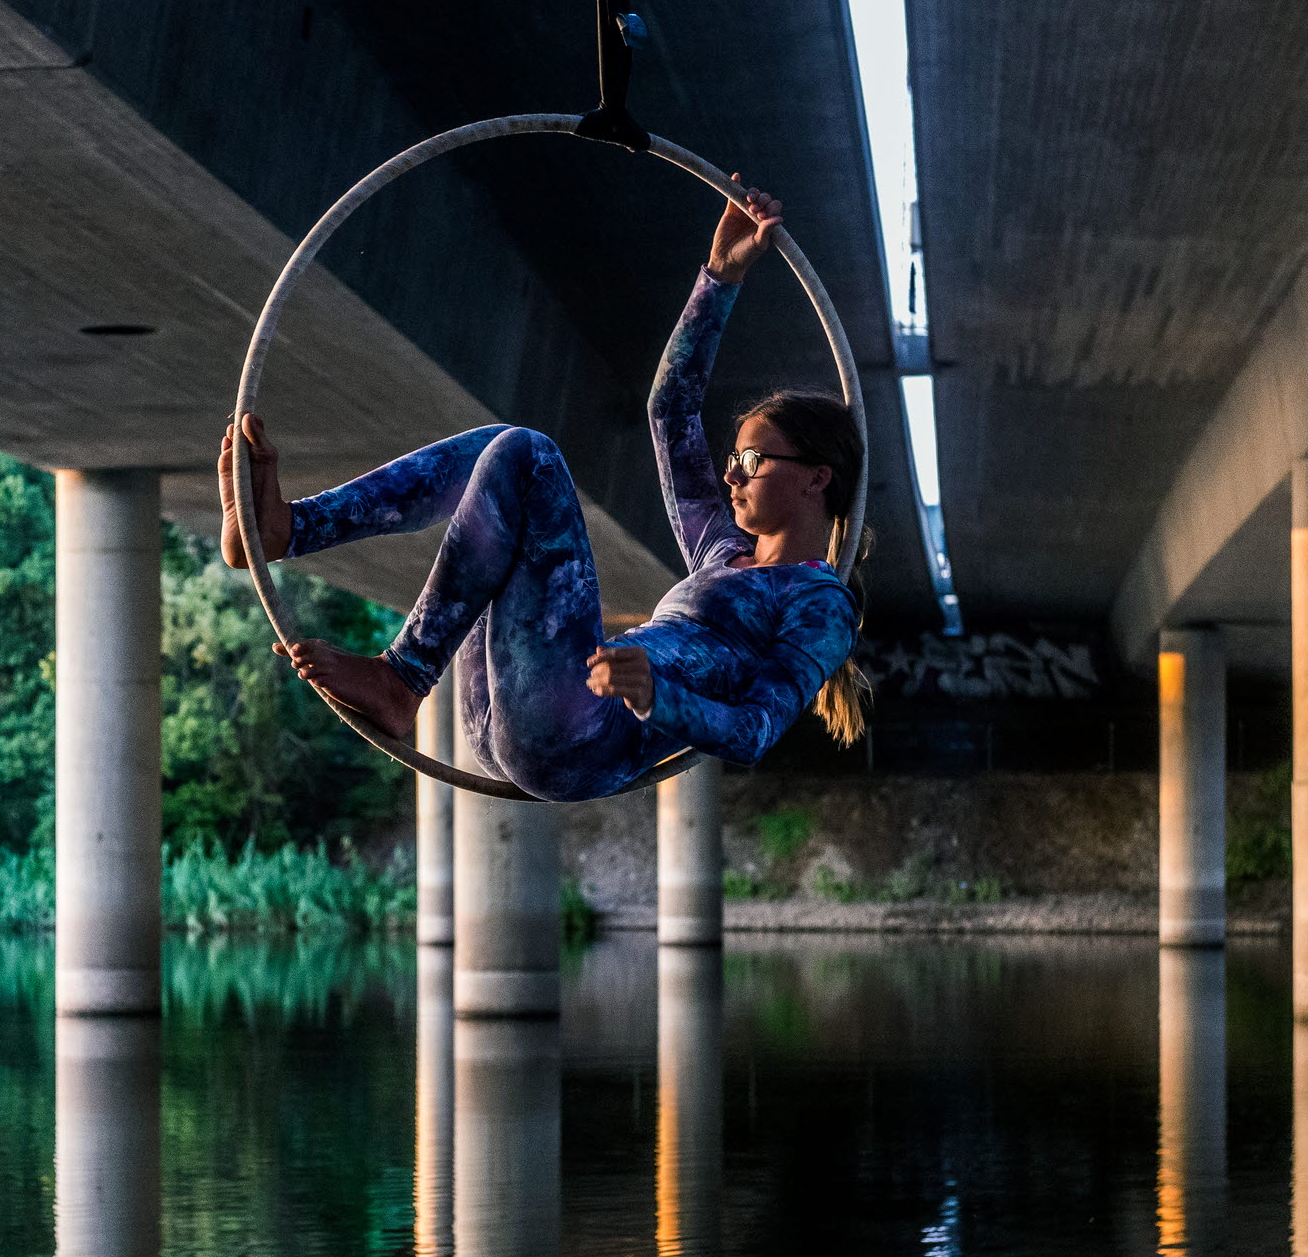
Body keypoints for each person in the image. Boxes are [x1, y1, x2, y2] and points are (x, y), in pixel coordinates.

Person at [217, 182, 866, 803]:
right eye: (733, 458)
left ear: (816, 477)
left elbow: (755, 730)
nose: (731, 474)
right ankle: (288, 530)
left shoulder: (817, 600)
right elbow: (672, 411)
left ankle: (404, 676)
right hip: (503, 716)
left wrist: (654, 696)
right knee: (496, 453)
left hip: (584, 733)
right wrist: (719, 277)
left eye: (751, 459)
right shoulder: (721, 551)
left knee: (528, 455)